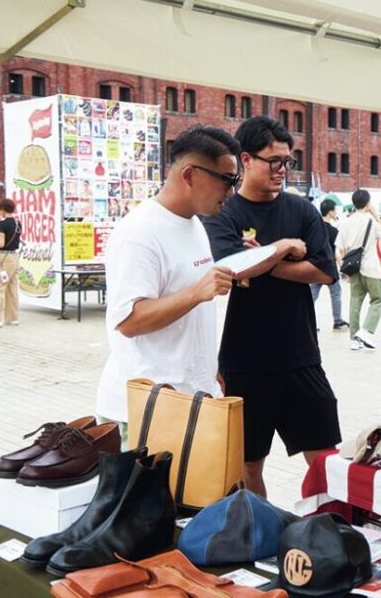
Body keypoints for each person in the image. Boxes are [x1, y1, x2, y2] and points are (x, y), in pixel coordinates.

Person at [203, 116, 340, 497]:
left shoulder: (302, 211)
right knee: (248, 465)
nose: (282, 170)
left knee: (325, 459)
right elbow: (229, 267)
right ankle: (256, 526)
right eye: (273, 161)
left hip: (301, 355)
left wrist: (262, 260)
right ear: (246, 159)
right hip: (244, 361)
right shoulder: (225, 213)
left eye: (287, 161)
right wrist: (282, 247)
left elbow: (325, 271)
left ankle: (328, 524)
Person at [95, 127, 242, 449]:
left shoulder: (194, 224)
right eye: (227, 180)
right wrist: (196, 292)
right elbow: (129, 321)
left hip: (192, 399)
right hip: (145, 410)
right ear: (190, 174)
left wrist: (207, 370)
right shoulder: (139, 233)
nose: (232, 191)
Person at [338, 188, 381, 351]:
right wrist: (376, 215)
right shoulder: (371, 221)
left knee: (355, 301)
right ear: (368, 203)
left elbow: (339, 247)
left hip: (353, 268)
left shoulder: (346, 222)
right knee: (378, 299)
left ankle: (354, 339)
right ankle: (366, 331)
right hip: (371, 267)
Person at [310, 199, 349, 331]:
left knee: (312, 295)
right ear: (331, 212)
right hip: (329, 267)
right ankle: (338, 321)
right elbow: (337, 252)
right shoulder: (333, 231)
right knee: (336, 294)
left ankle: (307, 321)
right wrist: (342, 267)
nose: (336, 212)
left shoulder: (314, 229)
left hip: (315, 266)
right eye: (335, 210)